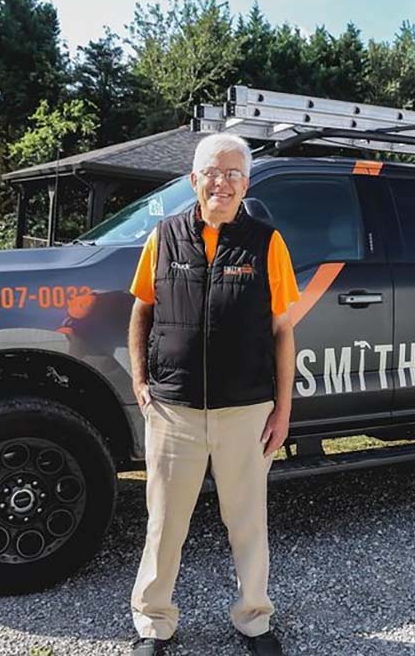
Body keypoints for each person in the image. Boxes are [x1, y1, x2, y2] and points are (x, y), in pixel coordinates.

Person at [127, 132, 300, 656]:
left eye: (233, 174)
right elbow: (141, 311)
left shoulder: (267, 243)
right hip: (173, 410)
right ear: (193, 179)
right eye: (213, 172)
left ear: (245, 183)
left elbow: (283, 331)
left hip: (246, 410)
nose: (222, 182)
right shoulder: (164, 237)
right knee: (164, 524)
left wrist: (283, 409)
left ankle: (254, 619)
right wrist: (139, 380)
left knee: (248, 523)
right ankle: (154, 625)